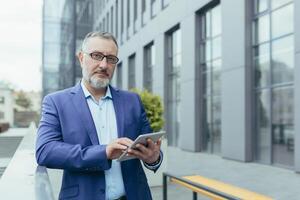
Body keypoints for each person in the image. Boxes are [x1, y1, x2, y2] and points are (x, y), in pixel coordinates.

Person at [36, 31, 163, 200]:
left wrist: (153, 158)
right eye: (97, 56)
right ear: (81, 58)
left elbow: (148, 145)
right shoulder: (56, 102)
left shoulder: (132, 101)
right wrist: (104, 152)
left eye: (111, 59)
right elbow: (45, 151)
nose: (104, 65)